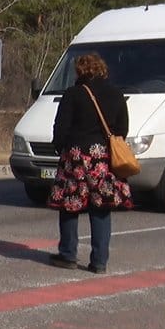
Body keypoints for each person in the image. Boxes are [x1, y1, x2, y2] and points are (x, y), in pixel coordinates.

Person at [47, 53, 132, 274]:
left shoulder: (73, 94)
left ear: (80, 71)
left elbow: (61, 127)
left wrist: (61, 148)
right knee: (101, 207)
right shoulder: (116, 94)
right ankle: (99, 261)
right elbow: (122, 128)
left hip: (75, 157)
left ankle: (68, 254)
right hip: (102, 157)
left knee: (70, 205)